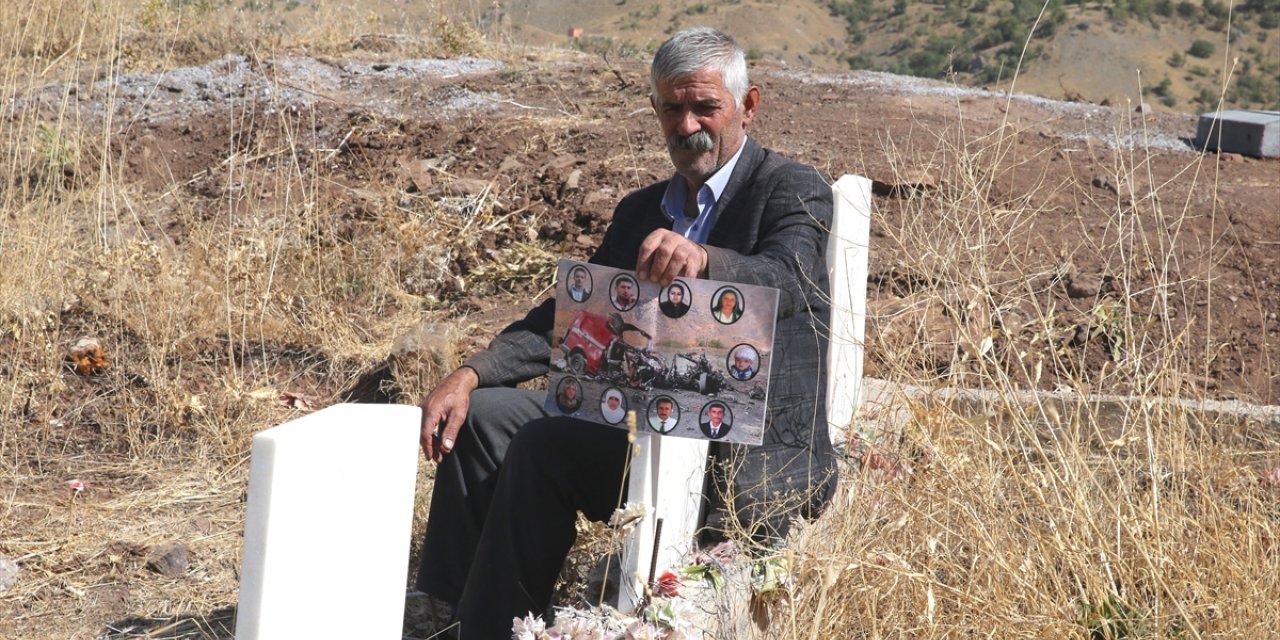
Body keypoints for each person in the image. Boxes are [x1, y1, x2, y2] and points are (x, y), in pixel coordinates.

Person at [414, 27, 837, 638]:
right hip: (643, 422)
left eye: (705, 107)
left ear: (748, 106)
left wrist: (704, 261)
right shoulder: (642, 210)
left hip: (748, 452)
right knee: (482, 417)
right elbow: (571, 319)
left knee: (543, 447)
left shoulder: (790, 188)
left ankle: (499, 625)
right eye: (672, 107)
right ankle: (447, 611)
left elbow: (791, 276)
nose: (688, 123)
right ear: (655, 110)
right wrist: (472, 370)